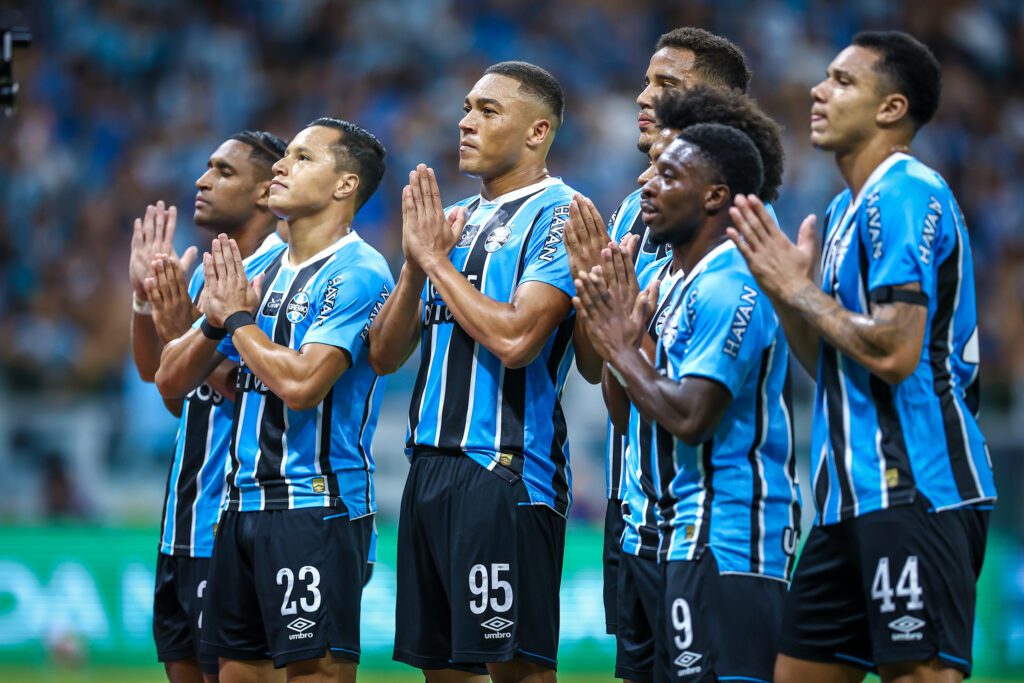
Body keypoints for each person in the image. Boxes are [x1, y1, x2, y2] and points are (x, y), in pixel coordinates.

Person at [727, 31, 996, 683]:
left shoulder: (904, 191)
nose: (819, 90)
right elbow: (828, 353)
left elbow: (897, 349)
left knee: (919, 673)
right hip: (847, 501)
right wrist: (790, 298)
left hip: (915, 487)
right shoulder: (846, 208)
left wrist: (798, 289)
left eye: (843, 81)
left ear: (891, 109)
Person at [156, 118, 392, 683]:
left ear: (345, 186)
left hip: (316, 506)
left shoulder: (358, 271)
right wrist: (214, 323)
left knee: (316, 672)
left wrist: (236, 319)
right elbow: (169, 379)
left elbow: (304, 383)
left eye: (304, 159)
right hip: (240, 508)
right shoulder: (259, 267)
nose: (283, 166)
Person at [368, 61, 576, 683]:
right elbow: (383, 355)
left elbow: (516, 339)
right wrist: (414, 266)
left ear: (538, 132)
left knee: (516, 669)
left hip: (505, 468)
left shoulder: (562, 215)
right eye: (466, 108)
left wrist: (435, 260)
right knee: (445, 671)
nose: (465, 122)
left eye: (488, 111)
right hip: (428, 469)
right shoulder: (449, 223)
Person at [575, 123, 798, 683]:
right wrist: (619, 341)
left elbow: (694, 417)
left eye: (669, 176)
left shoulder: (732, 283)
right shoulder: (672, 282)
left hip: (727, 539)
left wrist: (622, 347)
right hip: (669, 535)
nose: (647, 186)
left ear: (716, 195)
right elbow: (630, 415)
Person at [129, 130, 287, 683]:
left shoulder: (278, 276)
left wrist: (180, 331)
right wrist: (144, 302)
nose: (201, 180)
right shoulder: (204, 275)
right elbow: (167, 386)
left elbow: (265, 389)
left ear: (267, 193)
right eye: (206, 167)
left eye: (222, 171)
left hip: (230, 525)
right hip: (181, 519)